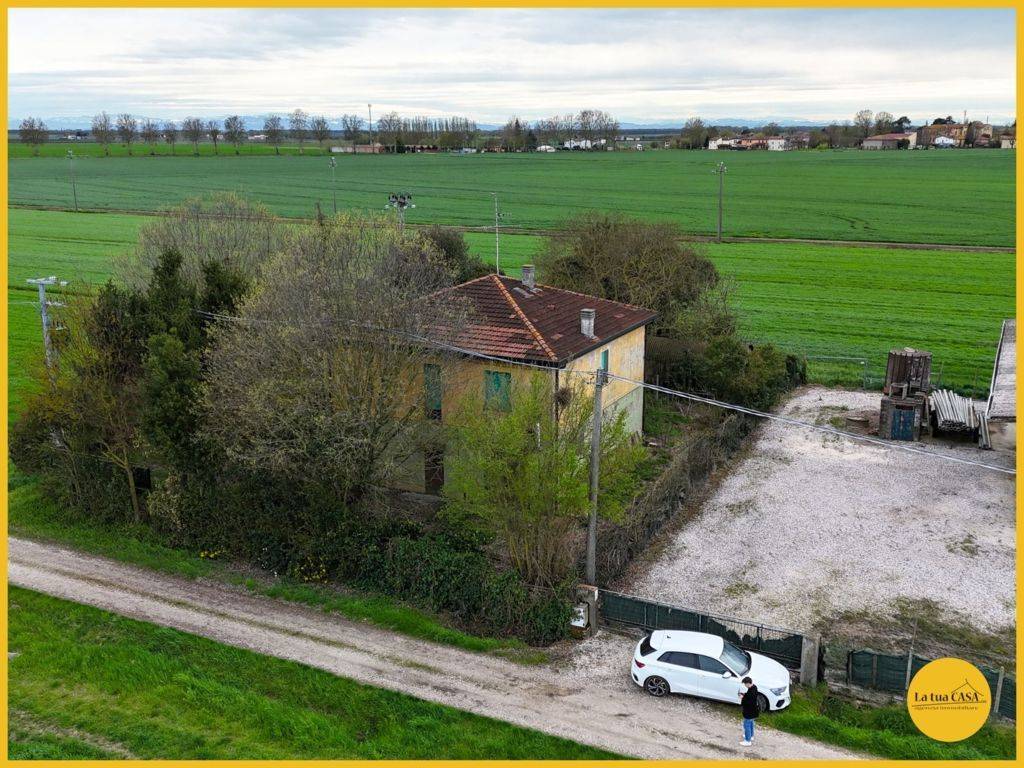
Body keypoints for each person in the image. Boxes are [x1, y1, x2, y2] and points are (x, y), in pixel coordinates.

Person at [738, 676, 759, 746]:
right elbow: (749, 696)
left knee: (746, 725)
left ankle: (747, 741)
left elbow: (749, 702)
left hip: (749, 712)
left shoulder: (752, 690)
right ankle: (751, 736)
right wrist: (744, 694)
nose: (745, 685)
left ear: (748, 683)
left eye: (745, 684)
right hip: (754, 711)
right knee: (751, 723)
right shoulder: (754, 687)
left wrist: (742, 698)